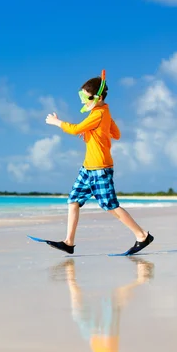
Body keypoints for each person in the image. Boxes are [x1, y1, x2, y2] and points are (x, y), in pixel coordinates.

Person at [44, 71, 153, 255]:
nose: (82, 102)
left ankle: (142, 235)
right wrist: (92, 132)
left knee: (111, 206)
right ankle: (69, 242)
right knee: (73, 201)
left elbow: (75, 129)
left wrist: (57, 122)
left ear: (98, 97)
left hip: (100, 169)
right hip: (88, 168)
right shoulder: (103, 112)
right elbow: (115, 134)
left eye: (85, 98)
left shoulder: (99, 114)